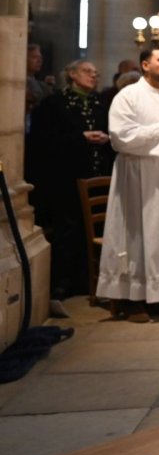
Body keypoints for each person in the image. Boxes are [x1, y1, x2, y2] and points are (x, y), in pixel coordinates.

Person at [96, 48, 159, 322]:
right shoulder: (127, 96)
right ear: (145, 65)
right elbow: (119, 138)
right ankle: (132, 299)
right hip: (138, 173)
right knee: (137, 233)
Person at [27, 60, 114, 308]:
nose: (94, 76)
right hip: (67, 177)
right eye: (88, 71)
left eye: (96, 72)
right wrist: (81, 137)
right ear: (72, 75)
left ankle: (93, 281)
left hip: (98, 175)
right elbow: (43, 141)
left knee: (98, 229)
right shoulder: (55, 104)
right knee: (69, 229)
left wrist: (107, 138)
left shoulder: (100, 103)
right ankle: (64, 283)